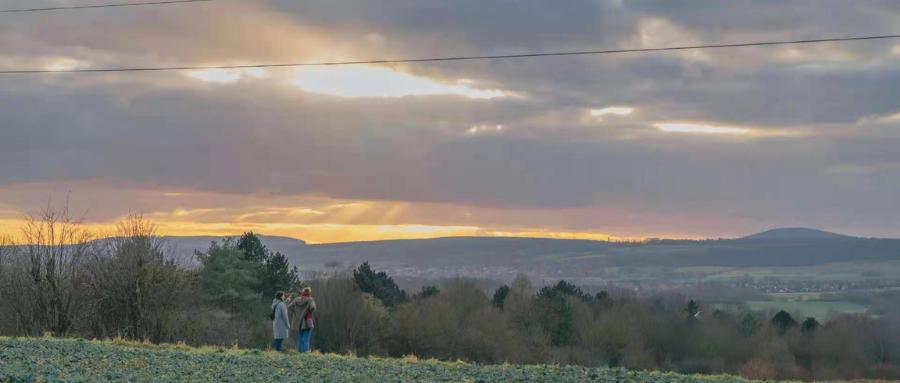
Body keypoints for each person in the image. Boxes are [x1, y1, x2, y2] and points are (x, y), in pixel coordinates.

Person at [289, 287, 316, 353]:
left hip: (298, 322)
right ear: (309, 292)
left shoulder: (296, 299)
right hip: (307, 321)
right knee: (306, 339)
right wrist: (308, 312)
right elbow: (313, 308)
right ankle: (306, 353)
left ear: (302, 292)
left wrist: (296, 313)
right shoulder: (310, 300)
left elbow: (289, 306)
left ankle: (300, 353)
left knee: (300, 338)